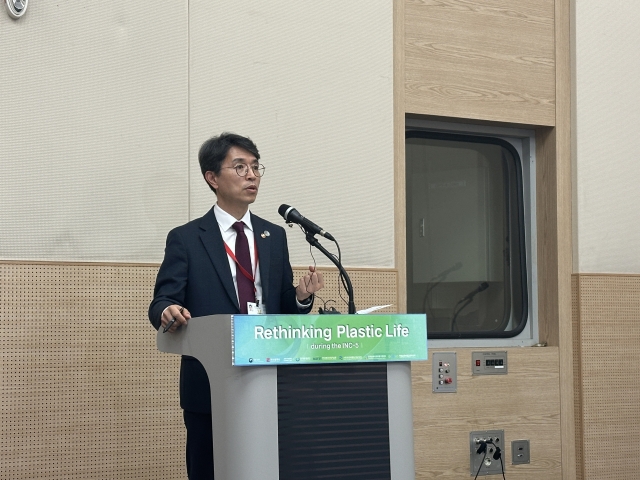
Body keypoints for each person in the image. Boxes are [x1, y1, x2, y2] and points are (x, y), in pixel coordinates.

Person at [148, 132, 324, 479]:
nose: (252, 175)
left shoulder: (274, 236)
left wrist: (301, 298)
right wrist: (166, 312)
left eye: (256, 167)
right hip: (212, 385)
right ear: (212, 178)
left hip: (270, 379)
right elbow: (163, 300)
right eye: (240, 166)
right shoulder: (186, 238)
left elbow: (282, 307)